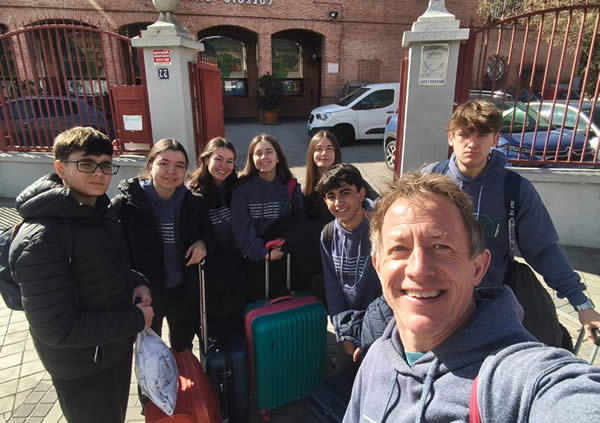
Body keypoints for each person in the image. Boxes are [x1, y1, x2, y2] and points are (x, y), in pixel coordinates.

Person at [344, 171, 600, 422]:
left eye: (441, 246)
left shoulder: (514, 378)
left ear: (478, 268)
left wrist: (581, 302)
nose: (418, 269)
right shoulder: (376, 357)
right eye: (399, 248)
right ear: (378, 267)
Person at [422, 100, 600, 343]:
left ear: (495, 139)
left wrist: (582, 304)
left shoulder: (514, 189)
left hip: (490, 309)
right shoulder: (430, 180)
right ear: (451, 138)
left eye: (482, 134)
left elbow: (543, 250)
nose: (472, 143)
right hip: (434, 302)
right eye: (464, 134)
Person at [8, 127, 153, 423]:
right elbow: (56, 329)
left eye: (105, 164)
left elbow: (107, 268)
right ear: (60, 168)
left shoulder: (100, 211)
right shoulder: (42, 237)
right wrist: (136, 320)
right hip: (81, 368)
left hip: (111, 351)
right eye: (86, 163)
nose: (99, 173)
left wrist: (137, 282)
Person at [112, 138, 214, 352]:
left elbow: (209, 235)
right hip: (145, 294)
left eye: (179, 166)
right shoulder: (126, 204)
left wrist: (202, 242)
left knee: (182, 348)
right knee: (149, 353)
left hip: (182, 291)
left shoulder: (194, 202)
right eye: (164, 163)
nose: (171, 171)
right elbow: (115, 253)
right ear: (150, 166)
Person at [316, 163, 382, 358]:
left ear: (361, 194)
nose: (338, 202)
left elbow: (390, 289)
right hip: (348, 329)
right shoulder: (328, 234)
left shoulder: (380, 229)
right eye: (331, 196)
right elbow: (333, 289)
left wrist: (370, 334)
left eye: (345, 193)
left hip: (381, 328)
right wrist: (344, 333)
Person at [231, 134, 305, 301]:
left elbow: (299, 220)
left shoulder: (291, 186)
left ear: (278, 157)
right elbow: (241, 228)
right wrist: (263, 253)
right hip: (255, 261)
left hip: (286, 259)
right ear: (252, 159)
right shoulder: (242, 190)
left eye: (269, 152)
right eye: (258, 153)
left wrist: (285, 245)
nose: (264, 157)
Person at [188, 136, 246, 322]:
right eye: (218, 159)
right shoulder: (192, 193)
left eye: (229, 161)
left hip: (236, 265)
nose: (224, 166)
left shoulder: (236, 188)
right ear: (206, 160)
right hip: (210, 272)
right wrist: (200, 241)